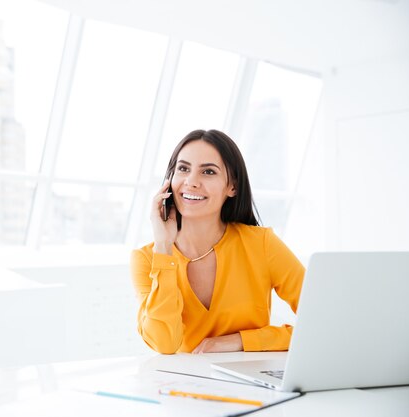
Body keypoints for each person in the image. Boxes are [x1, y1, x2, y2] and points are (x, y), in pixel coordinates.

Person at [130, 129, 304, 354]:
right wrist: (163, 248)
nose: (191, 182)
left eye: (208, 172)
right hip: (182, 385)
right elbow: (164, 344)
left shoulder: (262, 244)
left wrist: (241, 341)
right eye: (183, 169)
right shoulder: (147, 259)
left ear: (232, 187)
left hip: (251, 383)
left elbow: (324, 320)